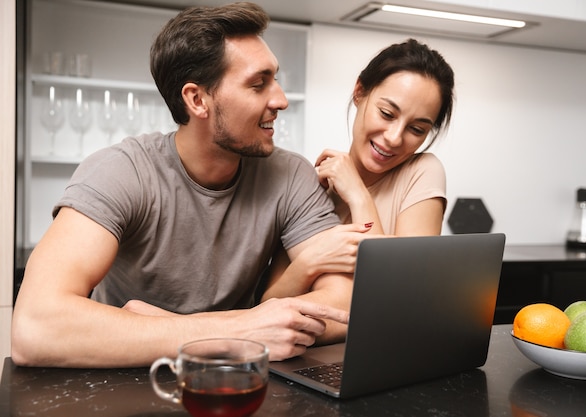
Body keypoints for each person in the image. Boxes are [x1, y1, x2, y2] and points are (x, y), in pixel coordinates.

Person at [11, 2, 369, 368]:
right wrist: (235, 333)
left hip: (233, 382)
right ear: (197, 99)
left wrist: (190, 332)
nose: (279, 100)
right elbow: (33, 327)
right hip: (125, 386)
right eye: (258, 84)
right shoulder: (121, 170)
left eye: (275, 80)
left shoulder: (291, 175)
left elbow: (342, 301)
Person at [262, 38, 455, 301]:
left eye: (417, 129)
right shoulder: (310, 188)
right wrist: (310, 262)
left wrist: (357, 194)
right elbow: (270, 301)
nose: (394, 138)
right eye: (387, 114)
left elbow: (406, 294)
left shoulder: (422, 172)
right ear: (359, 92)